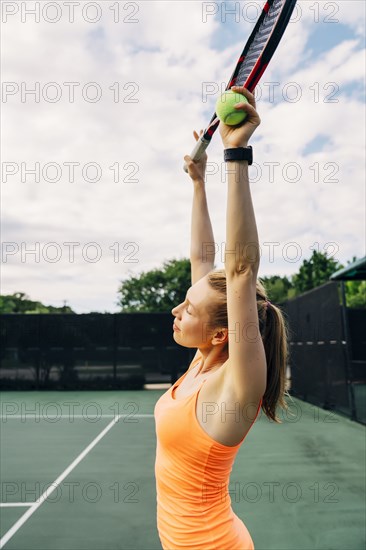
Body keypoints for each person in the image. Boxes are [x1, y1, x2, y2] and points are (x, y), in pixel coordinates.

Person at [154, 86, 291, 550]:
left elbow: (238, 270)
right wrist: (198, 182)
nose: (176, 310)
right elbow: (204, 259)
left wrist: (237, 154)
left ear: (220, 332)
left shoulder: (236, 382)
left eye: (187, 308)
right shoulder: (201, 360)